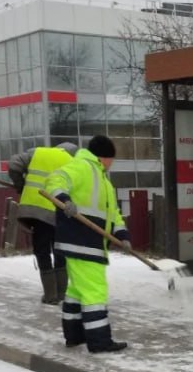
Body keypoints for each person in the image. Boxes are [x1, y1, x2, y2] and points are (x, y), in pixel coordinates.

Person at [45, 136, 131, 353]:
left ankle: (74, 335)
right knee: (95, 292)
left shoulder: (103, 181)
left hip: (86, 243)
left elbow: (113, 215)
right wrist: (65, 201)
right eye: (112, 159)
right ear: (104, 157)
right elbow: (55, 180)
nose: (112, 163)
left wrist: (122, 234)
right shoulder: (82, 167)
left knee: (76, 291)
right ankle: (100, 341)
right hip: (82, 242)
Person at [8, 143, 77, 304]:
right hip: (60, 214)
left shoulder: (37, 153)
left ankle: (50, 295)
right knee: (60, 252)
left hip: (37, 211)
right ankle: (61, 294)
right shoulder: (72, 161)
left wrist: (21, 186)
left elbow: (13, 164)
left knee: (42, 251)